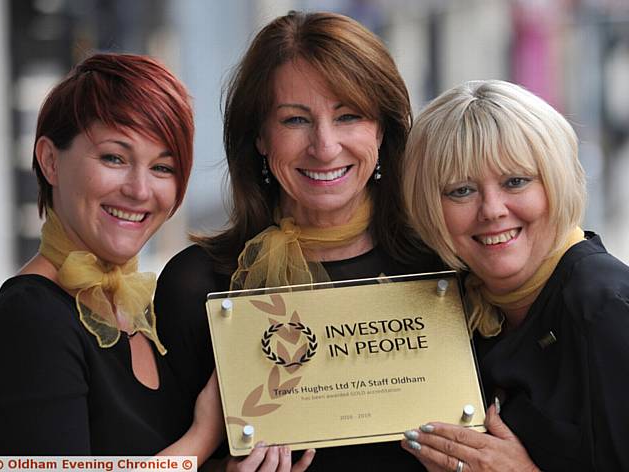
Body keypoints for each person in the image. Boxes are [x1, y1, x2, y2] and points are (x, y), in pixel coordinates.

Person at [155, 10, 444, 471]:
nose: (325, 147)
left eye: (348, 116)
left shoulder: (442, 265)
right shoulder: (195, 286)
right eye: (295, 120)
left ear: (382, 130)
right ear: (259, 139)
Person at [0, 53, 224, 459]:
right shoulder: (30, 319)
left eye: (163, 168)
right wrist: (202, 438)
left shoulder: (135, 313)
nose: (139, 190)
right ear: (49, 160)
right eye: (114, 158)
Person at [401, 79, 629, 471]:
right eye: (461, 191)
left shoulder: (607, 309)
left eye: (516, 182)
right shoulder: (454, 308)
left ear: (556, 182)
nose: (491, 209)